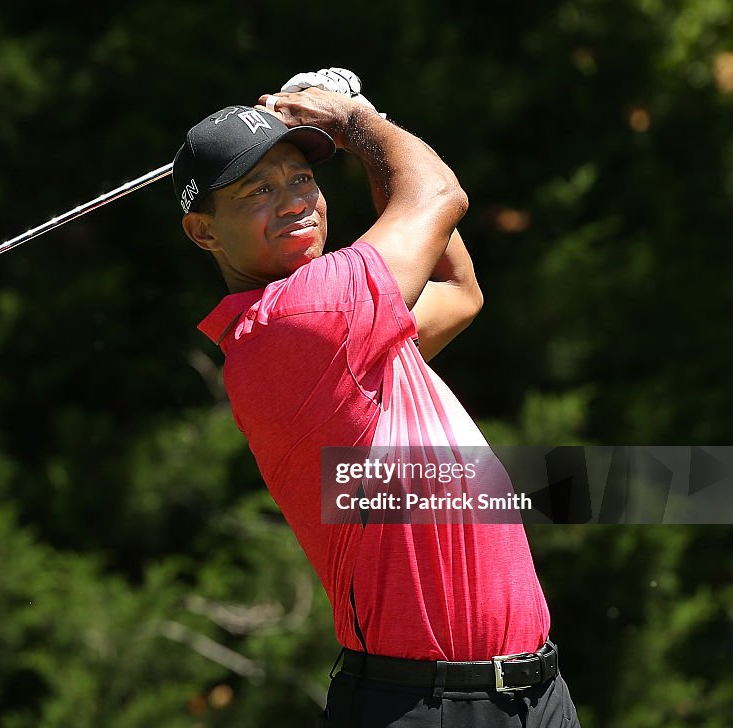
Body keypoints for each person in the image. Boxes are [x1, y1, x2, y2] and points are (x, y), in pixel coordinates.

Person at [173, 73, 581, 727]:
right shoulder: (300, 321)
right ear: (204, 233)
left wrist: (360, 131)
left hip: (535, 691)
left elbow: (458, 288)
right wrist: (358, 119)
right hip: (423, 706)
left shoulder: (347, 325)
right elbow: (440, 194)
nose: (294, 201)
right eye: (258, 191)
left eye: (301, 178)